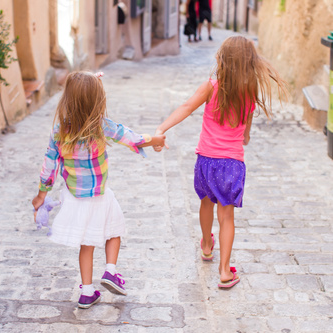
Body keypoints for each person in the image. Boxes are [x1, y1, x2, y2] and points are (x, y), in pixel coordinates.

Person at [153, 36, 288, 288]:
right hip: (232, 164)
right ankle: (225, 271)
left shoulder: (211, 86)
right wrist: (242, 135)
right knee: (226, 217)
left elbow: (186, 106)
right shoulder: (249, 93)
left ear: (223, 60)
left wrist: (162, 128)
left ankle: (206, 245)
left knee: (206, 203)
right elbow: (245, 135)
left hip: (206, 160)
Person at [32, 71, 165, 308]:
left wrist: (42, 194)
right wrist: (155, 140)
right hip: (100, 195)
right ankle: (110, 271)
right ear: (97, 101)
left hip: (75, 197)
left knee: (87, 244)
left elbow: (48, 165)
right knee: (114, 231)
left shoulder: (59, 131)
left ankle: (86, 292)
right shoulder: (101, 126)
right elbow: (132, 138)